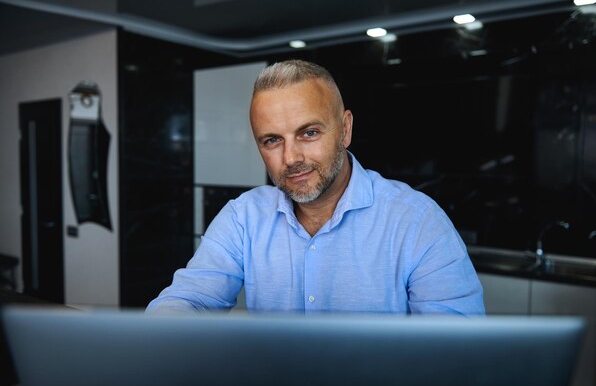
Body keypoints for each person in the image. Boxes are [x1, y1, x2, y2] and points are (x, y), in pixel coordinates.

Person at [146, 59, 485, 315]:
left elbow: (459, 351)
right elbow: (189, 300)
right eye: (272, 140)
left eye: (309, 133)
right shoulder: (243, 217)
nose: (291, 157)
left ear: (345, 129)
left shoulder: (417, 221)